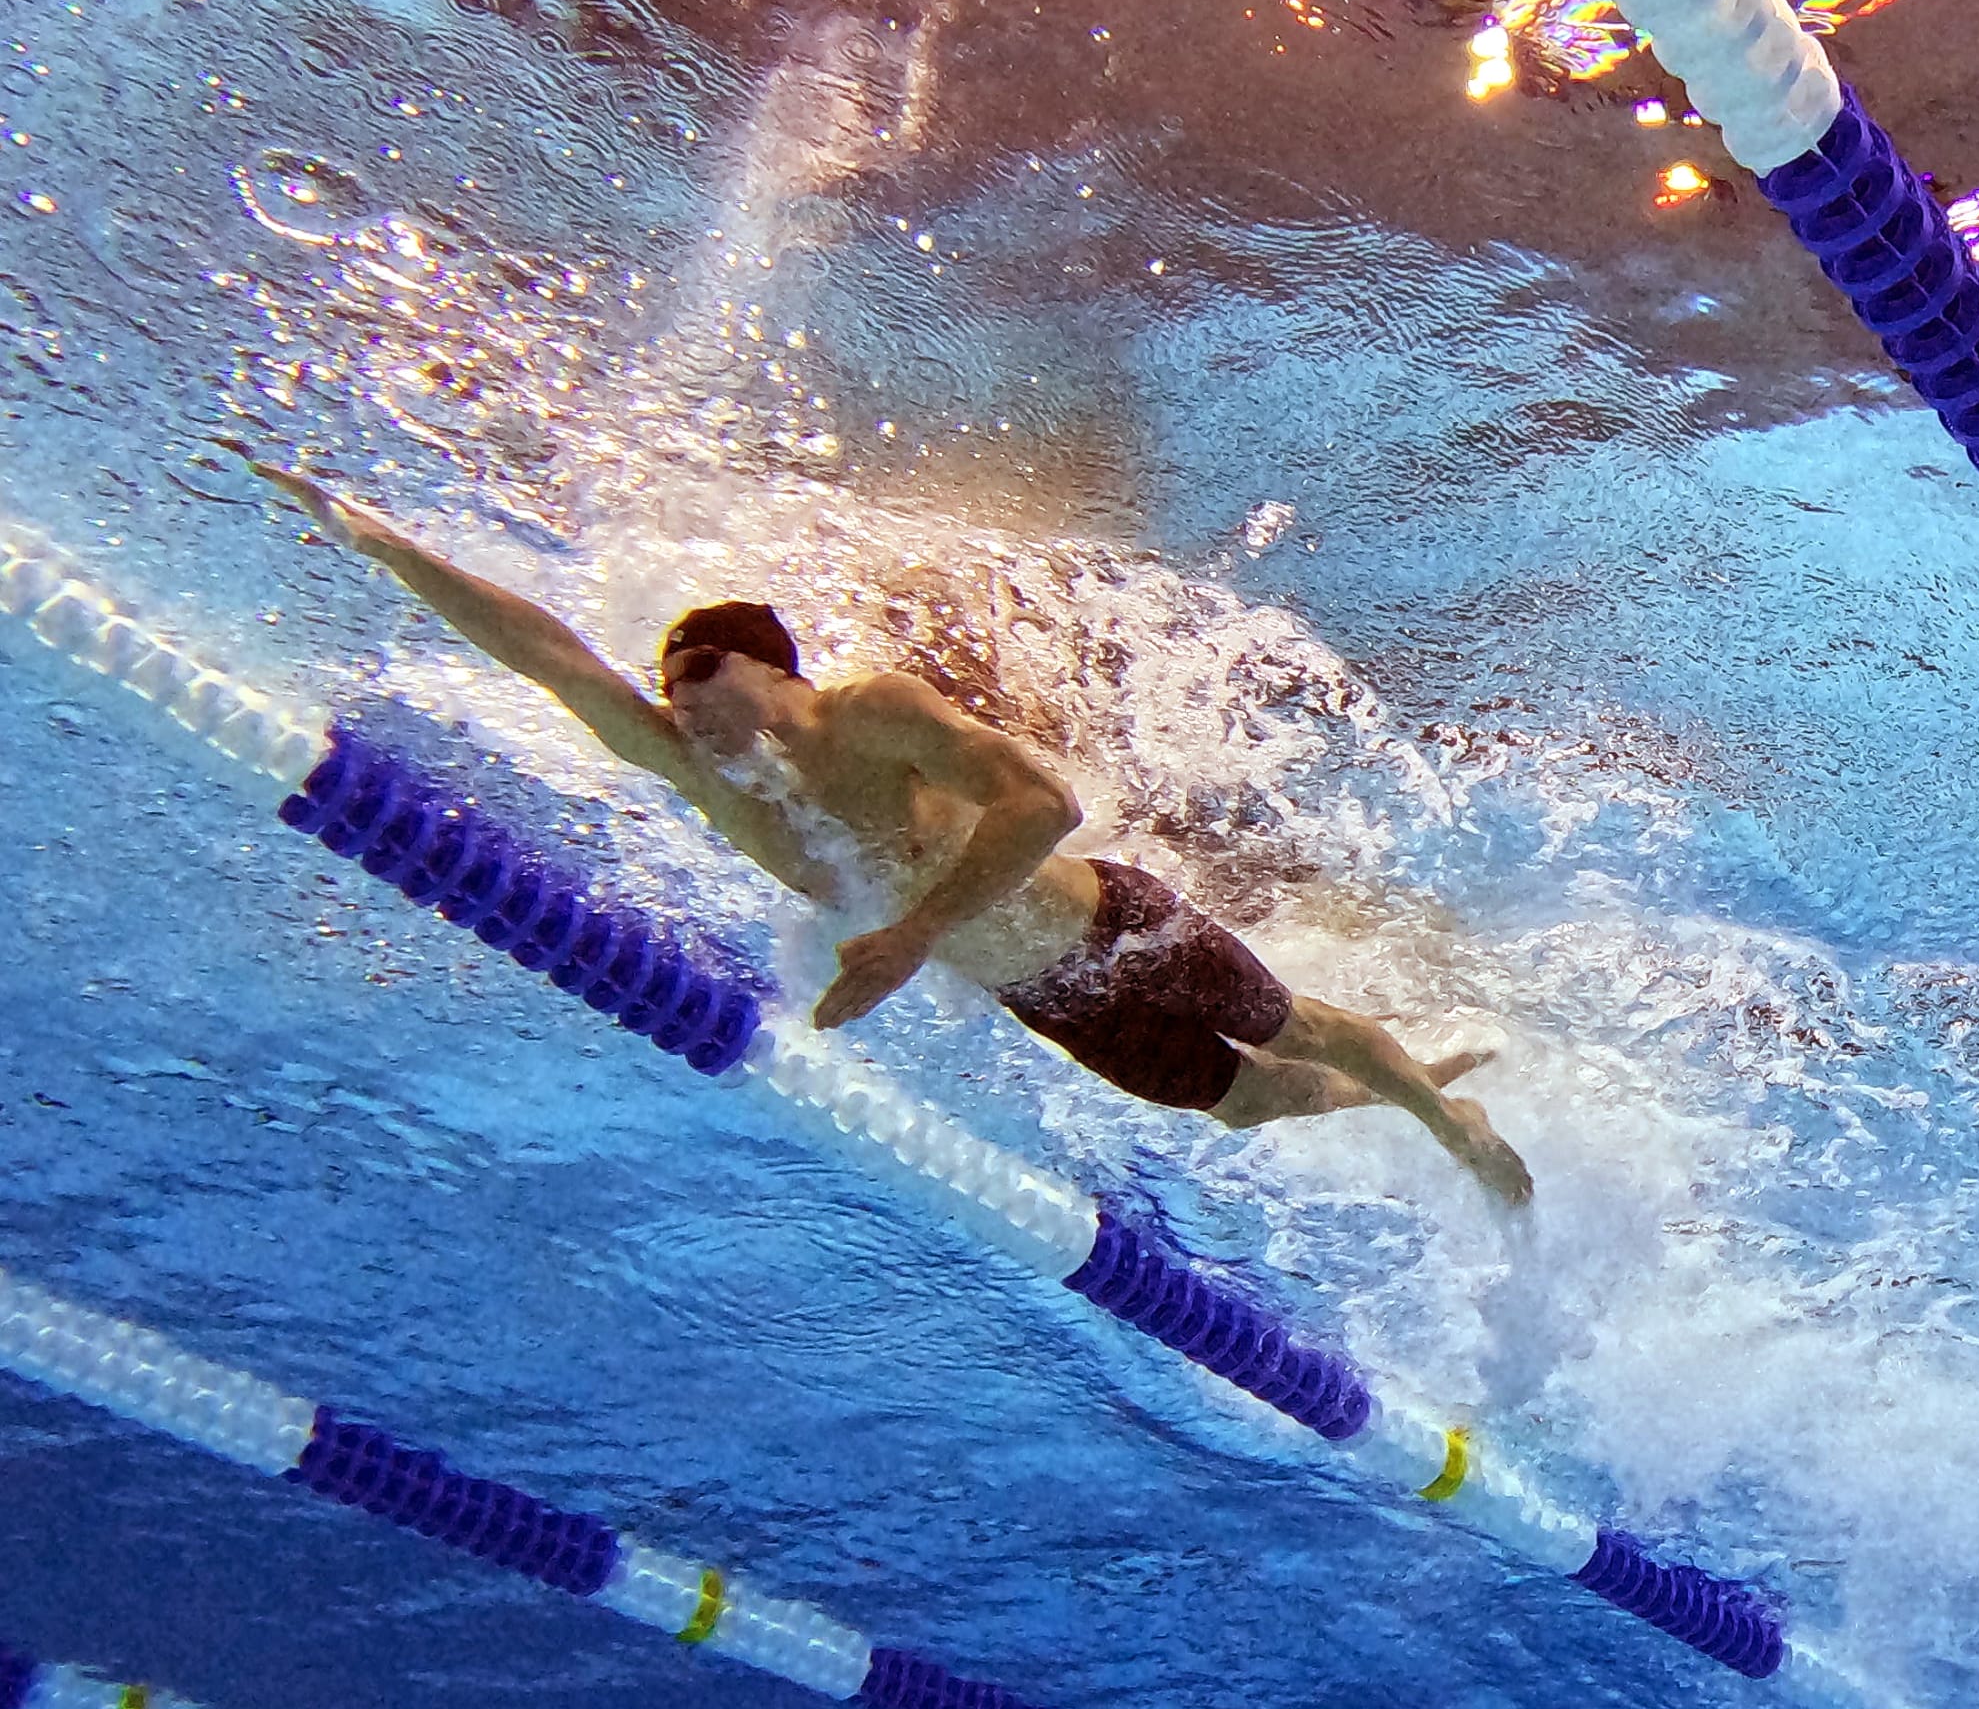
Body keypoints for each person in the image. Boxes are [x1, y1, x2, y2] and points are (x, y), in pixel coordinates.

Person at [249, 460, 1531, 1205]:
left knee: (1291, 1019)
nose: (672, 699)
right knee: (1250, 1104)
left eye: (690, 669)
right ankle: (1400, 1084)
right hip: (1051, 996)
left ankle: (1445, 1122)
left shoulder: (870, 713)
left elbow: (1047, 805)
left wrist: (913, 934)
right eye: (666, 687)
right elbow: (551, 659)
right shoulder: (718, 785)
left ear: (763, 660)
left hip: (1114, 923)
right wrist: (376, 539)